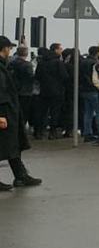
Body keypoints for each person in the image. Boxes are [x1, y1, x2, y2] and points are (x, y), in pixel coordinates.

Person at [0, 36, 42, 189]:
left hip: (11, 110)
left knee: (13, 145)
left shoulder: (6, 65)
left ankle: (21, 175)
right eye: (9, 48)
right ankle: (21, 176)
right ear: (4, 49)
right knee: (7, 144)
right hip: (5, 112)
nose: (10, 50)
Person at [34, 44, 67, 139]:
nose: (61, 51)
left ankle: (38, 132)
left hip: (44, 90)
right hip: (57, 90)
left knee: (41, 112)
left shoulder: (41, 62)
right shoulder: (58, 62)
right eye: (60, 49)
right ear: (56, 50)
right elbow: (64, 76)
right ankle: (52, 132)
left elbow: (37, 76)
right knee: (55, 112)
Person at [79, 47, 99, 146]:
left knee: (88, 112)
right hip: (93, 89)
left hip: (84, 90)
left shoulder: (83, 62)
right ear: (97, 53)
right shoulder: (94, 63)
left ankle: (87, 133)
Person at [8, 46, 35, 138]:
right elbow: (31, 77)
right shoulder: (28, 65)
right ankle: (21, 130)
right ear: (26, 54)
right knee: (24, 112)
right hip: (25, 91)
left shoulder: (11, 63)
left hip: (13, 90)